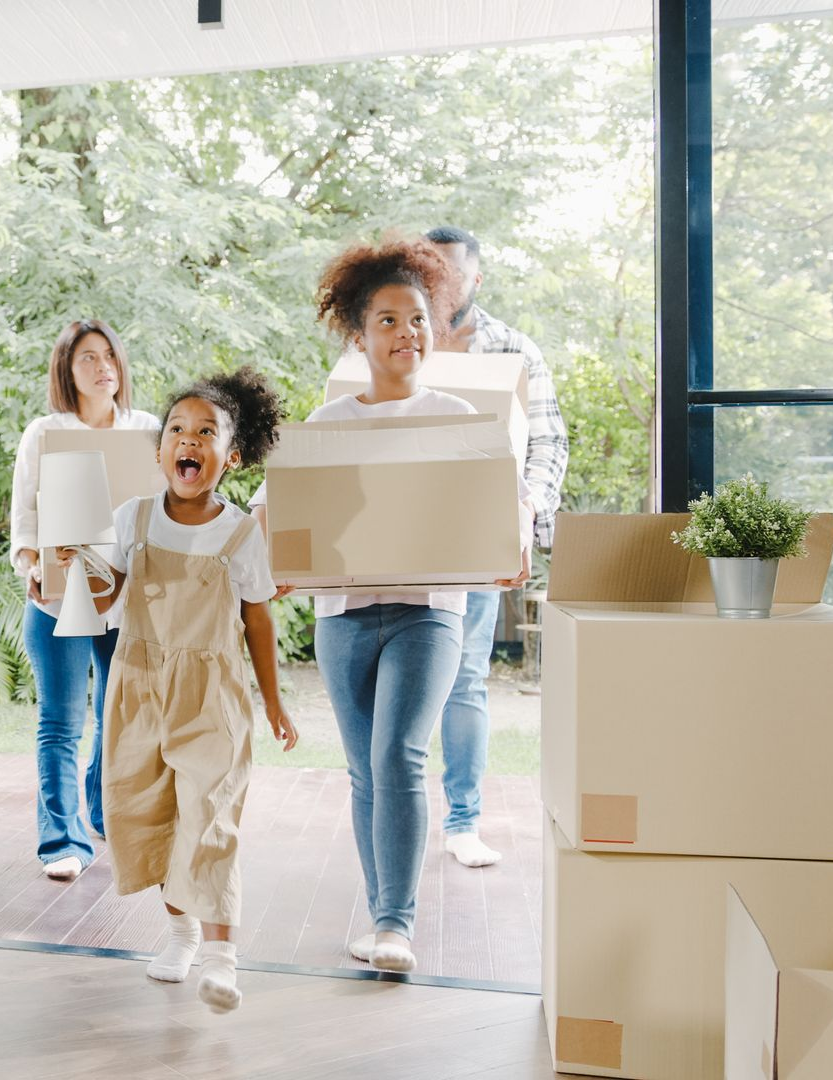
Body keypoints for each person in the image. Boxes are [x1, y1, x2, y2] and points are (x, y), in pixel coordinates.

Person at [251, 238, 534, 972]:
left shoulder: (457, 415)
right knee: (364, 771)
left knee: (398, 754)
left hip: (428, 610)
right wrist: (266, 550)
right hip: (344, 615)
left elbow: (505, 495)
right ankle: (384, 924)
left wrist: (517, 538)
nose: (406, 333)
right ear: (358, 334)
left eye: (416, 319)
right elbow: (276, 500)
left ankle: (394, 924)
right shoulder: (333, 419)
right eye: (387, 320)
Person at [86, 367, 298, 1013]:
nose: (190, 439)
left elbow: (257, 616)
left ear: (229, 457)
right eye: (178, 429)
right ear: (160, 453)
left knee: (210, 819)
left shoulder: (241, 533)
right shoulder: (132, 518)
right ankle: (178, 933)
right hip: (138, 688)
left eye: (207, 432)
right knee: (149, 816)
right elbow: (103, 599)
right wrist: (77, 563)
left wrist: (271, 699)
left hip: (211, 695)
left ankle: (222, 958)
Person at [424, 225, 569, 869]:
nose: (441, 285)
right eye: (431, 272)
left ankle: (463, 821)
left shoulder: (513, 348)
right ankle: (389, 814)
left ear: (475, 280)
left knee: (466, 680)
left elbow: (547, 444)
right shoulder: (388, 338)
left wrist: (525, 515)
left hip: (479, 535)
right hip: (398, 537)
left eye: (453, 274)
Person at [9, 319, 160, 882]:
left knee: (118, 721)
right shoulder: (45, 432)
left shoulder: (147, 429)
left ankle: (101, 814)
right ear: (66, 371)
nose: (103, 369)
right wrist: (32, 567)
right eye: (88, 359)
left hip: (124, 600)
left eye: (110, 358)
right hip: (58, 601)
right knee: (60, 723)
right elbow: (24, 517)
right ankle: (61, 840)